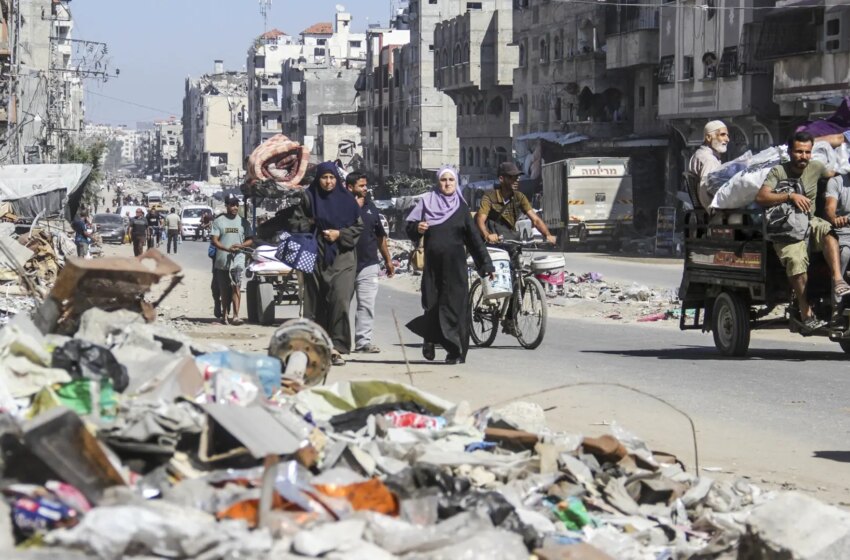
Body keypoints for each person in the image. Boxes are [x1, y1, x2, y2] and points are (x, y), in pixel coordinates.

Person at [755, 131, 848, 332]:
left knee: (828, 231)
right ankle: (805, 311)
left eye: (807, 152)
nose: (803, 156)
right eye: (798, 152)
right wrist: (790, 196)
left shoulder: (816, 167)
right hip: (787, 227)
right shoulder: (778, 171)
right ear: (790, 152)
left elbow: (834, 175)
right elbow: (762, 197)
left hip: (811, 222)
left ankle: (838, 279)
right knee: (796, 263)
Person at [406, 166, 494, 364]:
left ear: (456, 183)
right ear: (438, 182)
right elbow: (409, 227)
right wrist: (417, 228)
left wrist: (486, 265)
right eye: (443, 180)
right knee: (432, 305)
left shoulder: (461, 209)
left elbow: (474, 240)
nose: (447, 184)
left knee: (455, 308)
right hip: (433, 269)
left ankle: (455, 352)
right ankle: (429, 339)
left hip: (455, 269)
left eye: (451, 180)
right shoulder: (427, 202)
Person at [345, 172, 395, 353]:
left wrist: (388, 260)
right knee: (341, 305)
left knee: (366, 306)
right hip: (344, 264)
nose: (365, 189)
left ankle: (363, 342)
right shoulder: (340, 206)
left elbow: (380, 236)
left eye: (366, 185)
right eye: (361, 186)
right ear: (350, 187)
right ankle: (339, 342)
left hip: (369, 264)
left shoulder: (371, 208)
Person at [475, 161, 557, 245]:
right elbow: (480, 219)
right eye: (511, 177)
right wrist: (487, 235)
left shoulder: (519, 197)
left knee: (516, 255)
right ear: (501, 179)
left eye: (517, 177)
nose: (516, 180)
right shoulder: (490, 196)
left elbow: (535, 220)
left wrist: (548, 235)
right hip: (490, 242)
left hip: (508, 240)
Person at [211, 195, 254, 325]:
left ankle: (236, 316)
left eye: (236, 204)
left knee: (236, 286)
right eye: (232, 205)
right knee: (224, 290)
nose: (235, 207)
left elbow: (250, 239)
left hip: (238, 259)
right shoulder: (219, 222)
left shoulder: (243, 222)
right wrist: (226, 249)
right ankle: (225, 315)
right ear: (227, 206)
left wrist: (241, 246)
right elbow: (214, 240)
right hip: (222, 261)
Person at [688, 120, 729, 209]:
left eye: (727, 135)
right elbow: (704, 190)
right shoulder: (709, 160)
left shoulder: (700, 154)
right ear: (708, 137)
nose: (727, 139)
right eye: (722, 135)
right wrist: (714, 213)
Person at [823, 174, 850, 280]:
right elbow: (829, 208)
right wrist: (835, 218)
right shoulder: (836, 182)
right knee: (844, 254)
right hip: (843, 231)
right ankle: (837, 292)